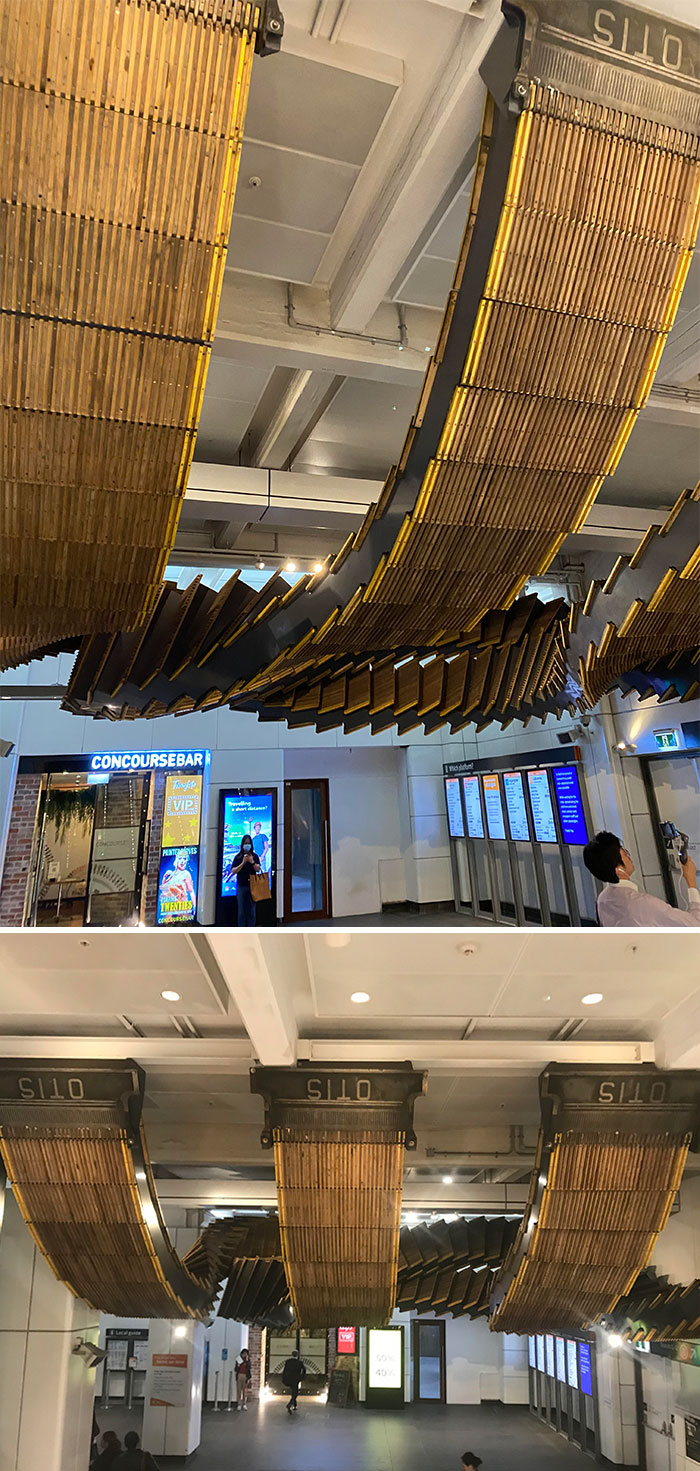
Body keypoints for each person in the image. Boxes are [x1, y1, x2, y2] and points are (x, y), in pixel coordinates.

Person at [583, 831, 700, 927]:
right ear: (619, 870)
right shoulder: (644, 904)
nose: (629, 857)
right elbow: (694, 925)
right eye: (625, 854)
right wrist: (691, 882)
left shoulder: (603, 900)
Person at [229, 835, 262, 927]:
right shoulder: (238, 857)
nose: (247, 845)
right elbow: (233, 871)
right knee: (241, 912)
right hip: (241, 886)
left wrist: (252, 862)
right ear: (242, 844)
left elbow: (258, 869)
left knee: (252, 911)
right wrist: (243, 863)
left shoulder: (255, 856)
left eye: (248, 843)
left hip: (253, 887)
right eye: (245, 843)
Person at [282, 1349, 305, 1414]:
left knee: (294, 1392)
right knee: (295, 1393)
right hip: (295, 1379)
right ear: (297, 1355)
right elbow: (304, 1370)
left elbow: (285, 1370)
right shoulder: (299, 1363)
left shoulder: (288, 1362)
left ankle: (295, 1405)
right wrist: (301, 1377)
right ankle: (290, 1404)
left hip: (288, 1379)